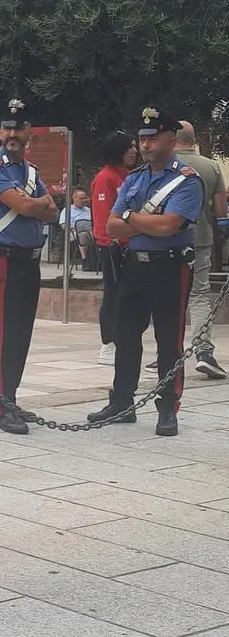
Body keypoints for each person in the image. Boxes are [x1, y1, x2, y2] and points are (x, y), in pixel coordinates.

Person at [87, 106, 204, 437]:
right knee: (125, 337)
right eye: (142, 139)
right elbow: (110, 226)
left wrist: (130, 219)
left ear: (171, 138)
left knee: (169, 341)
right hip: (134, 267)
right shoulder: (134, 178)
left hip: (170, 267)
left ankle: (168, 408)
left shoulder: (186, 181)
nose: (146, 145)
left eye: (153, 138)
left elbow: (169, 226)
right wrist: (136, 223)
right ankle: (121, 402)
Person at [0, 98, 57, 435]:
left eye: (19, 128)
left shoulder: (30, 171)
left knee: (20, 334)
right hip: (4, 260)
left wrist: (36, 206)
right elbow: (23, 205)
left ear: (28, 134)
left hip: (28, 261)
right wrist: (36, 205)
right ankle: (1, 406)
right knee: (6, 333)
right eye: (7, 128)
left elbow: (52, 211)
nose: (13, 134)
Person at [173, 121, 227, 380]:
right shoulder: (211, 166)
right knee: (199, 294)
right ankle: (204, 352)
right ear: (194, 140)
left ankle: (169, 351)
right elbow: (220, 211)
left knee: (170, 295)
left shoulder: (163, 164)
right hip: (201, 238)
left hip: (167, 239)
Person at [91, 130, 138, 365]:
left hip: (129, 244)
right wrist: (112, 241)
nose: (135, 150)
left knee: (125, 294)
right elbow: (102, 218)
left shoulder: (127, 176)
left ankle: (121, 340)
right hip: (111, 246)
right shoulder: (105, 177)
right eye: (130, 146)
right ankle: (107, 342)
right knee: (113, 292)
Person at [58, 189, 95, 269]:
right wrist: (74, 228)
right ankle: (85, 260)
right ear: (74, 198)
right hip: (74, 232)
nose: (84, 200)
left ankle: (98, 260)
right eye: (81, 198)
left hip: (90, 231)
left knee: (97, 234)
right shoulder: (67, 210)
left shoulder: (88, 210)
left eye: (85, 198)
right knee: (82, 234)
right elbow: (63, 225)